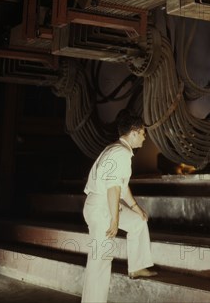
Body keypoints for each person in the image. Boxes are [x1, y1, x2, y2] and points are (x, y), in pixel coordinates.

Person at [81, 110, 157, 303]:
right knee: (100, 261)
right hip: (101, 207)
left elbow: (122, 186)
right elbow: (113, 188)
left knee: (138, 221)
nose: (144, 137)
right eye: (143, 133)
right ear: (133, 132)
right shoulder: (120, 153)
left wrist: (136, 208)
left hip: (107, 204)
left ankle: (137, 266)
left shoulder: (118, 149)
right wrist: (114, 220)